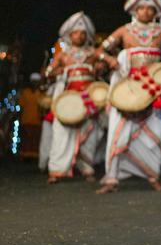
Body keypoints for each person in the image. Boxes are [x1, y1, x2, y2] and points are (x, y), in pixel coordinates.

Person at [96, 0, 161, 193]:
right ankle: (112, 178)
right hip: (127, 88)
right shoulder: (124, 31)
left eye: (150, 9)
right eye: (142, 8)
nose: (146, 12)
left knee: (154, 133)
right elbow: (100, 51)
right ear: (134, 11)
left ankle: (152, 175)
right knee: (118, 132)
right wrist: (110, 59)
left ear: (156, 12)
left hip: (154, 89)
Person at [44, 12, 117, 183]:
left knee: (91, 134)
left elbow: (107, 59)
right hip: (69, 99)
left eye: (83, 33)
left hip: (89, 99)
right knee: (62, 134)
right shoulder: (63, 55)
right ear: (70, 36)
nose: (80, 36)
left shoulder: (92, 52)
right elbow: (48, 72)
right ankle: (57, 170)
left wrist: (107, 62)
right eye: (76, 33)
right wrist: (56, 71)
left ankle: (87, 169)